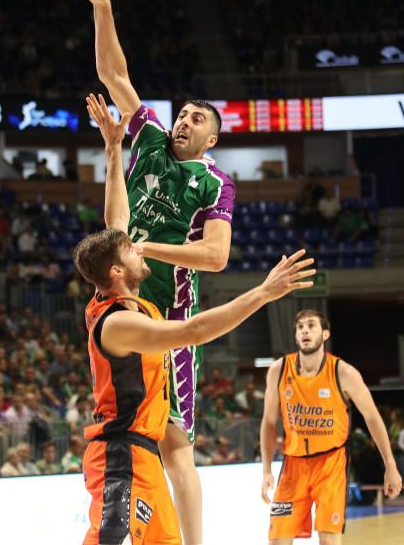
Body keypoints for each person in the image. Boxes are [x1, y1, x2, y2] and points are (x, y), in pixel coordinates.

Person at [72, 96, 315, 545]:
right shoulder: (123, 322)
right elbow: (193, 330)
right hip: (123, 456)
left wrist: (111, 150)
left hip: (140, 453)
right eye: (132, 249)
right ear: (118, 272)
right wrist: (262, 292)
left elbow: (118, 223)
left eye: (195, 117)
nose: (138, 244)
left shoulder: (129, 305)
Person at [70, 0, 235, 545]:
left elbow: (216, 257)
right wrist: (103, 8)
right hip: (122, 303)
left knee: (175, 441)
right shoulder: (152, 141)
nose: (185, 121)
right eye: (184, 114)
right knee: (127, 427)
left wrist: (152, 248)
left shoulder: (215, 182)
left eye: (197, 119)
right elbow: (114, 75)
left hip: (169, 310)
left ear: (212, 136)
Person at [260, 308, 402, 544]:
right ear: (296, 336)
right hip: (292, 467)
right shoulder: (278, 370)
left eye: (311, 325)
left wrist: (390, 465)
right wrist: (266, 469)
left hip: (331, 465)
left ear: (325, 334)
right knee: (277, 539)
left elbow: (373, 418)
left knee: (328, 540)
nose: (305, 330)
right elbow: (268, 423)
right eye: (300, 327)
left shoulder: (344, 373)